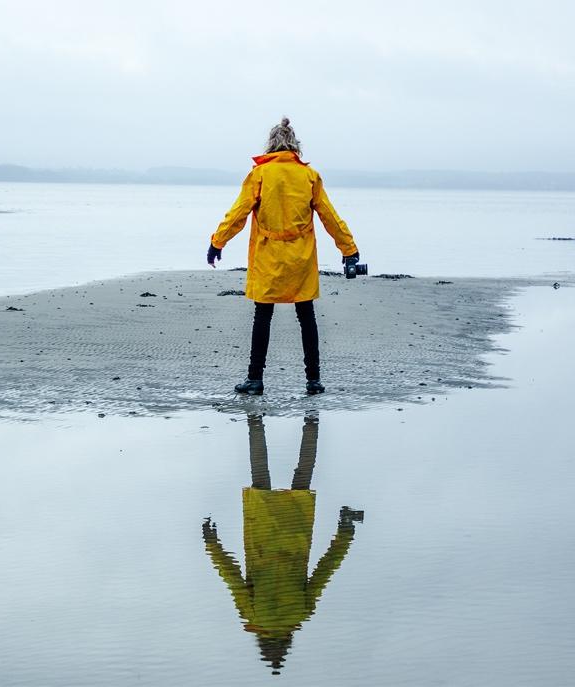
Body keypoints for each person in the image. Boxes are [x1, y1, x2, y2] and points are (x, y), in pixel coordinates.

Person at [207, 117, 361, 396]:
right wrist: (349, 250)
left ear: (270, 146)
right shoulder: (309, 176)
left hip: (268, 257)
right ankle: (313, 380)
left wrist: (218, 242)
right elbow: (329, 216)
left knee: (262, 317)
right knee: (307, 317)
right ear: (294, 146)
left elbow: (238, 213)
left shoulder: (259, 175)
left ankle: (255, 379)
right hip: (300, 258)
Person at [202, 414, 361, 675]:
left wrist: (345, 533)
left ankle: (312, 421)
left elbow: (326, 569)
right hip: (261, 534)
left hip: (294, 533)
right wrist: (212, 543)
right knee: (260, 472)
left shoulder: (300, 614)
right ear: (261, 642)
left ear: (288, 641)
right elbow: (230, 577)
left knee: (303, 475)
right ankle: (255, 420)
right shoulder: (253, 616)